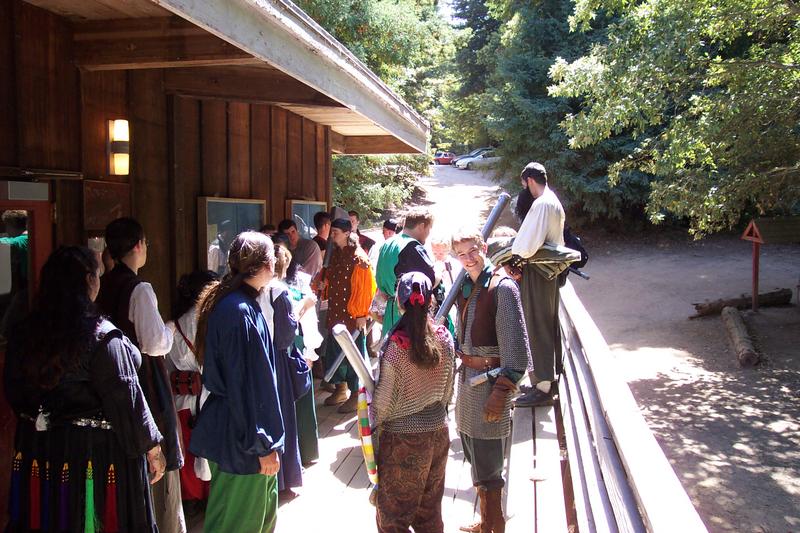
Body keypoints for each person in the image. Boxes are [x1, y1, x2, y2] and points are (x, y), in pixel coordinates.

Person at [4, 246, 165, 532]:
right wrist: (152, 450)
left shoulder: (23, 333)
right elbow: (126, 401)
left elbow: (15, 394)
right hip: (96, 460)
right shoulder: (102, 338)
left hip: (39, 451)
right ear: (89, 281)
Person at [190, 232, 285, 533]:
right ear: (264, 264)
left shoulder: (238, 303)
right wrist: (261, 445)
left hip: (239, 432)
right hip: (242, 438)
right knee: (239, 525)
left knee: (255, 520)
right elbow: (244, 386)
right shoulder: (238, 311)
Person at [96, 217, 186, 533]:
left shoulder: (103, 284)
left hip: (108, 384)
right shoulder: (139, 288)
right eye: (145, 242)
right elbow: (155, 343)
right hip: (142, 379)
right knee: (157, 472)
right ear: (138, 245)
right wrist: (171, 329)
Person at [451, 229, 532, 533]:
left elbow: (517, 352)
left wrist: (501, 392)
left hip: (490, 383)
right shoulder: (465, 286)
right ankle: (487, 519)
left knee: (489, 464)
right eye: (461, 254)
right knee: (475, 457)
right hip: (468, 382)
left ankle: (494, 526)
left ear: (483, 247)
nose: (468, 259)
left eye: (472, 251)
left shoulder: (502, 288)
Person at [372, 272, 455, 533]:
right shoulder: (445, 339)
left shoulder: (396, 348)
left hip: (403, 441)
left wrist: (371, 420)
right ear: (430, 300)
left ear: (399, 302)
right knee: (429, 513)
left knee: (393, 517)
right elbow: (447, 391)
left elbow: (384, 404)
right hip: (439, 433)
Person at [257, 245, 314, 493]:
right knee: (282, 416)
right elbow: (286, 334)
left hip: (261, 354)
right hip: (278, 358)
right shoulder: (278, 291)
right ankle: (285, 478)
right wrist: (304, 308)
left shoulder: (251, 290)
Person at [511, 162, 565, 407]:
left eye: (525, 184)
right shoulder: (553, 201)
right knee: (542, 324)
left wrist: (511, 251)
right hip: (547, 273)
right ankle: (543, 381)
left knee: (536, 326)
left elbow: (526, 246)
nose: (526, 189)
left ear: (530, 181)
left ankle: (543, 387)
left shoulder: (542, 204)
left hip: (539, 272)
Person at [166, 270, 219, 512]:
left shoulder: (174, 324)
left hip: (182, 402)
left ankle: (190, 499)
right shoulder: (208, 321)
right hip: (209, 398)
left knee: (187, 454)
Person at [320, 218, 376, 413]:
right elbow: (329, 278)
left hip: (352, 318)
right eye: (332, 231)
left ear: (347, 233)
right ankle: (340, 389)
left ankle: (356, 394)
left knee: (354, 356)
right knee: (335, 352)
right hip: (336, 314)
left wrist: (361, 314)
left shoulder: (359, 257)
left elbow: (365, 288)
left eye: (336, 231)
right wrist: (323, 285)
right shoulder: (335, 253)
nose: (332, 234)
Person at [375, 207, 436, 339]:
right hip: (406, 318)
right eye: (429, 229)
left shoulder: (387, 243)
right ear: (421, 226)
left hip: (390, 315)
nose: (428, 234)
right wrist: (440, 272)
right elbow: (428, 281)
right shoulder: (412, 247)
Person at [0, 210, 30, 338]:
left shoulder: (22, 240)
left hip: (28, 286)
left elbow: (4, 243)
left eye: (7, 226)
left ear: (11, 224)